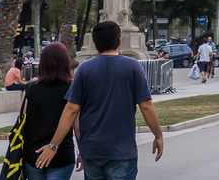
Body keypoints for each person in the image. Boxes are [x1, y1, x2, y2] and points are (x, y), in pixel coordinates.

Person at [35, 21, 164, 178]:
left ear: (95, 45)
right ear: (119, 42)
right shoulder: (133, 67)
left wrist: (53, 145)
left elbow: (72, 109)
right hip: (122, 151)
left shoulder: (84, 69)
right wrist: (158, 135)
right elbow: (146, 106)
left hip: (92, 150)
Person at [21, 42, 78, 180]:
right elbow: (77, 126)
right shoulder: (72, 89)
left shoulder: (30, 89)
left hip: (33, 155)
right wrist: (82, 153)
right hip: (62, 155)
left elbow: (22, 120)